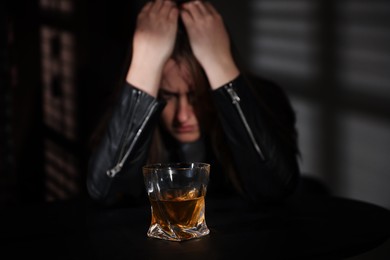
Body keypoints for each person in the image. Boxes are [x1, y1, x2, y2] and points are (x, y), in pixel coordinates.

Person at [87, 0, 301, 207]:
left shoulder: (265, 97)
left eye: (196, 96)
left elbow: (275, 188)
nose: (182, 116)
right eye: (167, 96)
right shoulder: (122, 109)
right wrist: (144, 66)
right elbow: (106, 192)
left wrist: (220, 64)